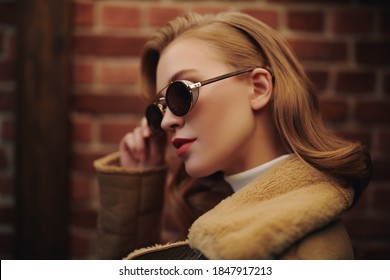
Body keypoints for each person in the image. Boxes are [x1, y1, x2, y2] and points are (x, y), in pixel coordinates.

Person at [94, 11, 372, 260]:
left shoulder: (308, 245)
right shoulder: (222, 215)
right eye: (159, 109)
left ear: (258, 88)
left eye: (180, 93)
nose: (166, 121)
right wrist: (140, 191)